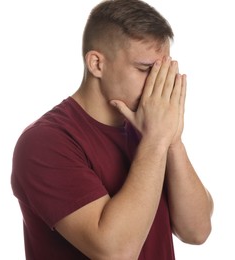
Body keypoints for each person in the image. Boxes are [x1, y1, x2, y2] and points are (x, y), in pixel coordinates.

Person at [11, 0, 214, 259]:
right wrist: (156, 140)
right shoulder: (44, 142)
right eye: (146, 69)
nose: (159, 83)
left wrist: (172, 139)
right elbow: (116, 251)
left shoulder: (151, 130)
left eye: (163, 70)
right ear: (97, 64)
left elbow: (197, 231)